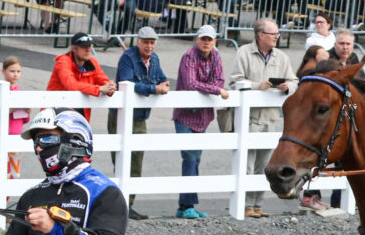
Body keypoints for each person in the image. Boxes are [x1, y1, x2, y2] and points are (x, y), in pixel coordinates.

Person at [231, 18, 294, 217]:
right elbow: (235, 82)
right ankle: (245, 205)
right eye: (273, 34)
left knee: (266, 165)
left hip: (271, 118)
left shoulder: (282, 57)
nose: (277, 37)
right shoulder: (243, 53)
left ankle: (257, 204)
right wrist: (258, 85)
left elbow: (294, 80)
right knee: (248, 164)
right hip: (249, 118)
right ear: (260, 35)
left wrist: (288, 87)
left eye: (277, 34)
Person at [173, 25, 230, 220]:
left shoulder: (216, 56)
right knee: (189, 158)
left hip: (203, 117)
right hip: (185, 116)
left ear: (214, 41)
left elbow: (220, 80)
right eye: (203, 39)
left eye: (210, 39)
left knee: (196, 159)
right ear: (197, 40)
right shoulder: (189, 56)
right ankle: (187, 205)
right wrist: (214, 90)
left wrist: (213, 88)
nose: (206, 42)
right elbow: (190, 83)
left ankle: (186, 205)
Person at [110, 26, 168, 219]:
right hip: (122, 115)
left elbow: (161, 78)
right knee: (121, 160)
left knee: (136, 161)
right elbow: (127, 84)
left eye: (152, 42)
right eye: (146, 42)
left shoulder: (155, 59)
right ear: (138, 42)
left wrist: (163, 84)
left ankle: (129, 204)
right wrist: (154, 88)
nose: (149, 46)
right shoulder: (128, 57)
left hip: (140, 116)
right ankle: (119, 205)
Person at [48, 33, 117, 120]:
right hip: (55, 115)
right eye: (84, 47)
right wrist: (99, 89)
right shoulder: (62, 62)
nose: (88, 50)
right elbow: (71, 85)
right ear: (74, 48)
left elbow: (104, 82)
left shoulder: (92, 62)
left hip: (79, 115)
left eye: (89, 46)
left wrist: (110, 88)